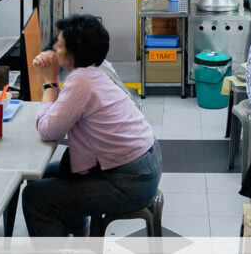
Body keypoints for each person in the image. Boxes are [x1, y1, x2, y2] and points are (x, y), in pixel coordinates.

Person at [23, 15, 160, 237]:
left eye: (60, 44)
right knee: (47, 174)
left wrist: (50, 82)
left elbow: (48, 131)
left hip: (130, 182)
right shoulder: (100, 67)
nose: (55, 48)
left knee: (35, 197)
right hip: (146, 163)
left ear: (74, 54)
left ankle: (67, 238)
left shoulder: (81, 81)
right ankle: (80, 233)